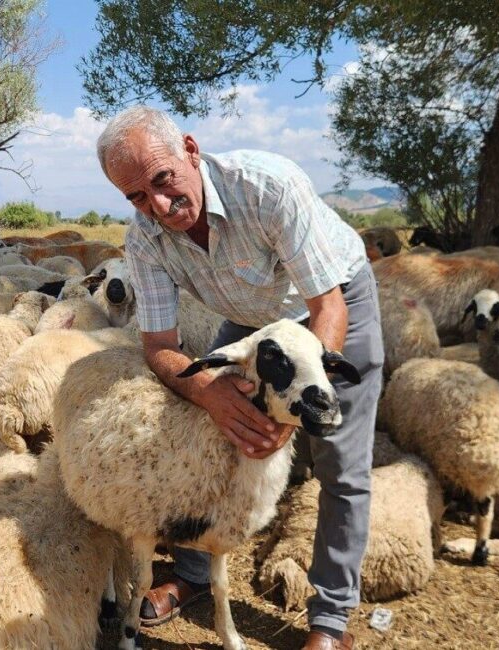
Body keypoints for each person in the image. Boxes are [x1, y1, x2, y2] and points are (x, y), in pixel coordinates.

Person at [96, 105, 384, 650]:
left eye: (163, 180)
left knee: (341, 463)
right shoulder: (144, 241)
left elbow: (327, 304)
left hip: (330, 305)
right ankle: (192, 574)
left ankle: (330, 620)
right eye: (136, 197)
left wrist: (298, 400)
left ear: (189, 148)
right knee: (203, 434)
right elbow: (159, 347)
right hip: (253, 323)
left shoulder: (267, 187)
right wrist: (209, 393)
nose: (158, 205)